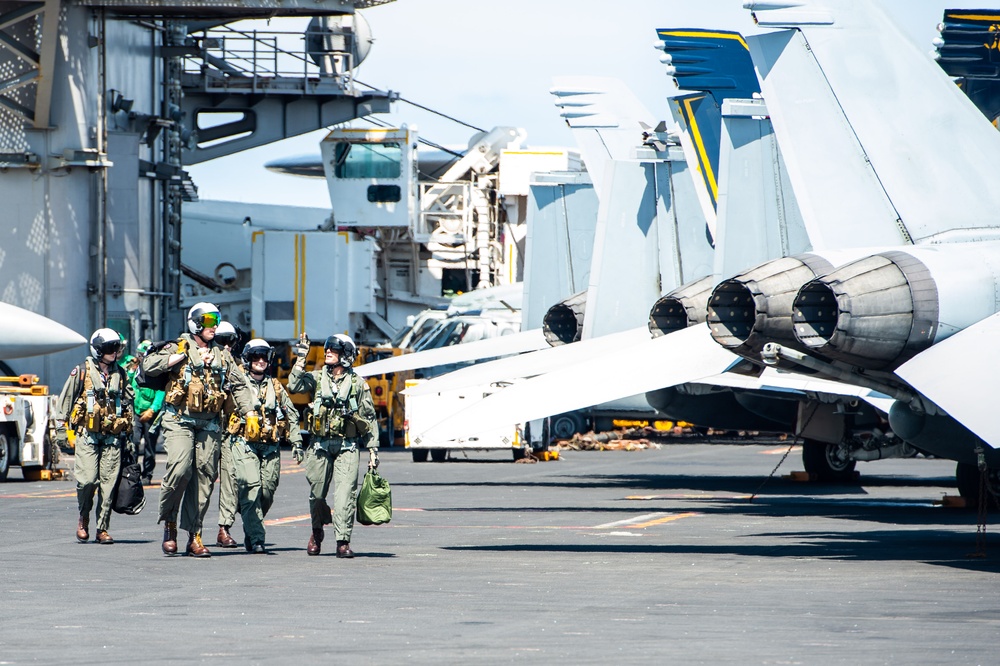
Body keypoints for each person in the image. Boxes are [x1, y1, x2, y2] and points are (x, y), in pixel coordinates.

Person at [141, 303, 260, 558]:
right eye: (208, 320)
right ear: (195, 322)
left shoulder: (222, 354)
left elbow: (238, 385)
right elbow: (148, 366)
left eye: (216, 320)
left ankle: (194, 535)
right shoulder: (178, 346)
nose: (214, 325)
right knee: (180, 468)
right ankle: (170, 523)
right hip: (179, 420)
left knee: (205, 480)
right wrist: (181, 357)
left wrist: (249, 413)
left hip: (210, 423)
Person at [287, 333, 378, 557]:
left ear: (345, 355)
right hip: (319, 445)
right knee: (317, 494)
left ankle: (342, 541)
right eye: (328, 348)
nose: (327, 351)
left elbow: (369, 417)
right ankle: (317, 531)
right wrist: (300, 358)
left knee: (345, 494)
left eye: (334, 349)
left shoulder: (358, 384)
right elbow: (294, 384)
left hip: (347, 445)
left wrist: (373, 450)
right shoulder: (317, 378)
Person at [54, 329, 134, 545]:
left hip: (113, 438)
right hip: (87, 436)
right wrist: (61, 429)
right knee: (88, 480)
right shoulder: (81, 372)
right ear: (98, 350)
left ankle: (102, 528)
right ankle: (84, 516)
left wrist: (130, 434)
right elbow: (65, 401)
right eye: (110, 348)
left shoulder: (121, 374)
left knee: (108, 485)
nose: (114, 352)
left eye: (116, 348)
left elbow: (128, 404)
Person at [230, 338, 302, 553]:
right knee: (251, 488)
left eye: (264, 356)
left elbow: (291, 413)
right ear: (247, 359)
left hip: (270, 445)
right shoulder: (238, 383)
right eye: (255, 356)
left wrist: (297, 440)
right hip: (244, 443)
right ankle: (257, 538)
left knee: (267, 491)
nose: (260, 361)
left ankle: (249, 522)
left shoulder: (275, 386)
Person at [213, 321, 241, 548]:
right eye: (221, 341)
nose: (226, 346)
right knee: (199, 480)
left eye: (230, 341)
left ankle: (224, 528)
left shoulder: (239, 368)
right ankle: (192, 529)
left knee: (230, 479)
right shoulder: (200, 364)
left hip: (229, 432)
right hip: (204, 429)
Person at [130, 340, 165, 486]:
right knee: (134, 443)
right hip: (136, 412)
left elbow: (161, 391)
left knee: (150, 446)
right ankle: (133, 473)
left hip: (151, 413)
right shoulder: (134, 369)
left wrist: (153, 409)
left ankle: (147, 475)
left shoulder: (156, 371)